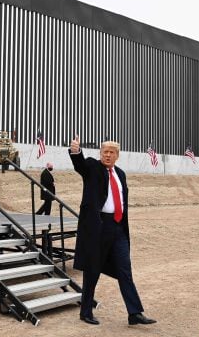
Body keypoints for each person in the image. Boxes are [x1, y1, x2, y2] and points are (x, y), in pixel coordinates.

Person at [69, 135, 156, 326]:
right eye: (104, 152)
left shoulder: (121, 174)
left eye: (111, 152)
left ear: (117, 155)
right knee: (92, 271)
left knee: (125, 269)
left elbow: (122, 200)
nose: (107, 155)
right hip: (99, 226)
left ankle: (134, 313)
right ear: (100, 154)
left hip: (118, 228)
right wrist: (76, 152)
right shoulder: (93, 167)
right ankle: (85, 312)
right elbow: (80, 166)